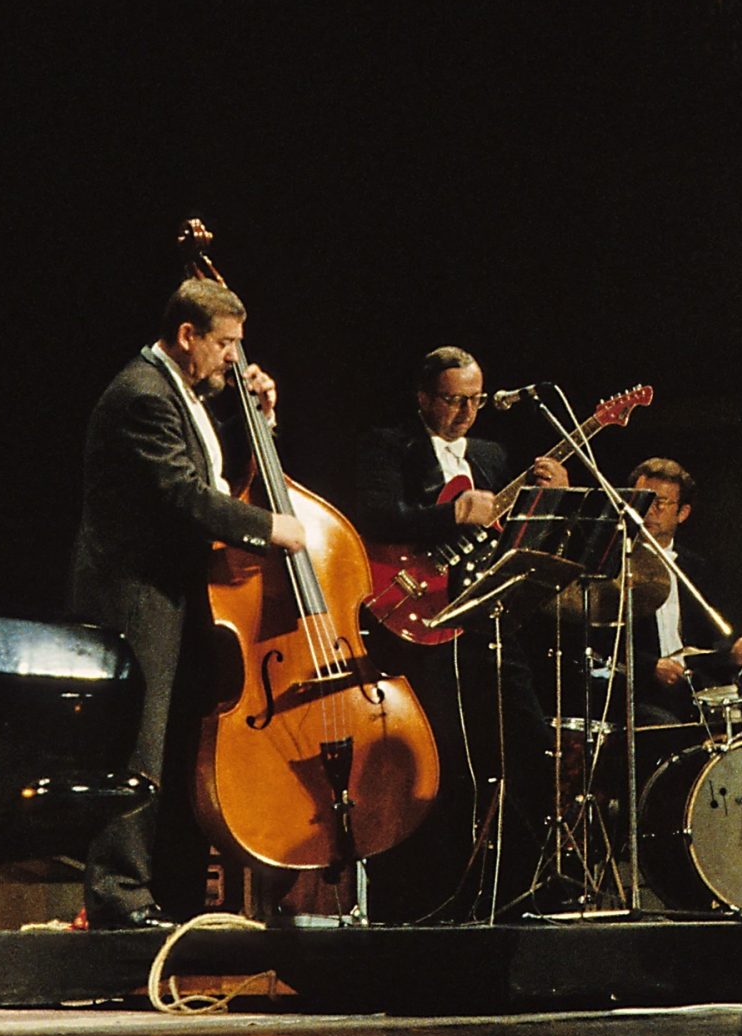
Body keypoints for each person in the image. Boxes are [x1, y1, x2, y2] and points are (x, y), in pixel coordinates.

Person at [71, 277, 306, 931]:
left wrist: (258, 415)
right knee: (138, 746)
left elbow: (204, 463)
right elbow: (181, 493)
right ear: (187, 336)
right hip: (134, 591)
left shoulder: (177, 390)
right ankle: (119, 894)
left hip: (171, 589)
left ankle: (169, 891)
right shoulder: (143, 394)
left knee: (177, 747)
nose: (233, 356)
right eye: (225, 343)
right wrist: (268, 528)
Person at [355, 345, 569, 921]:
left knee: (526, 738)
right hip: (419, 618)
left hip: (487, 618)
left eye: (474, 400)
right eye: (452, 400)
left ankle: (517, 887)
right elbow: (373, 516)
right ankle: (429, 893)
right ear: (425, 398)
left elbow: (510, 540)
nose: (465, 412)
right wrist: (449, 515)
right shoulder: (389, 445)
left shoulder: (494, 455)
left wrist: (550, 494)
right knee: (441, 755)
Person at [625, 457, 742, 728]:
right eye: (643, 499)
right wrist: (650, 667)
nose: (650, 510)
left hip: (692, 691)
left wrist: (733, 653)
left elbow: (710, 642)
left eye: (661, 502)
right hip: (636, 694)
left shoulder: (696, 568)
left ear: (682, 513)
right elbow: (598, 648)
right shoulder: (614, 565)